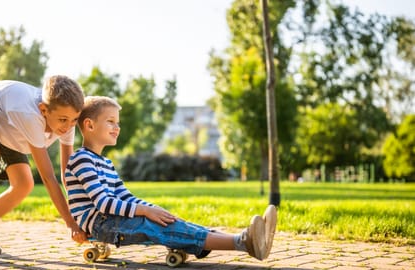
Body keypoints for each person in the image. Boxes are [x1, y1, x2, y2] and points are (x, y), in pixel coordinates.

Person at [65, 96, 277, 261]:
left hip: (113, 219)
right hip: (102, 224)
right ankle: (244, 242)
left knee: (171, 221)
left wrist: (153, 208)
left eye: (117, 122)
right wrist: (147, 211)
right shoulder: (81, 159)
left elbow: (124, 197)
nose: (117, 127)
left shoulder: (106, 163)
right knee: (160, 226)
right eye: (110, 122)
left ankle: (250, 238)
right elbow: (103, 203)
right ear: (90, 125)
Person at [0, 75, 89, 255]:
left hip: (8, 128)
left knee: (24, 184)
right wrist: (70, 223)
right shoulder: (29, 115)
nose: (69, 126)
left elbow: (67, 173)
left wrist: (80, 210)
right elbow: (48, 177)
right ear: (43, 109)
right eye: (63, 120)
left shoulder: (66, 123)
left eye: (74, 120)